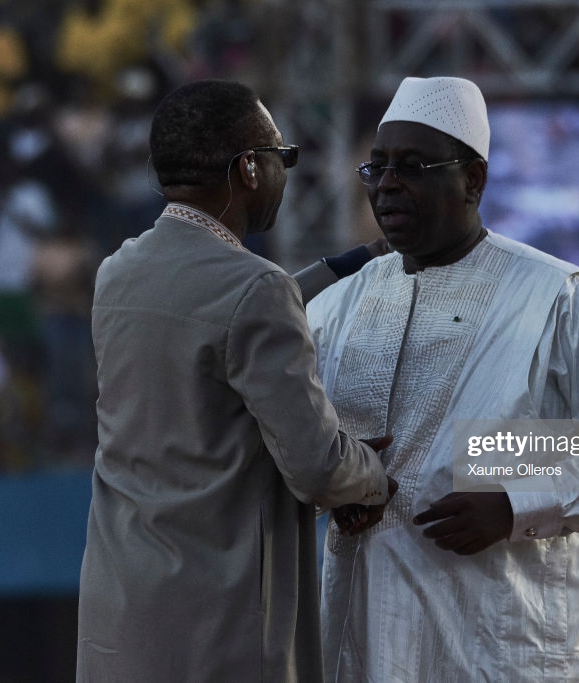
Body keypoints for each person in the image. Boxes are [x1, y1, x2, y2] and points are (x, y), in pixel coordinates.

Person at [305, 76, 579, 682]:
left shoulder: (556, 295)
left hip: (511, 643)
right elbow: (292, 441)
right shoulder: (337, 306)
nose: (389, 183)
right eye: (377, 169)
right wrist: (332, 481)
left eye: (413, 165)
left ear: (473, 179)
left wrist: (513, 504)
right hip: (371, 639)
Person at [75, 80, 394, 682]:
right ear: (249, 168)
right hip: (219, 628)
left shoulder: (118, 272)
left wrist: (341, 267)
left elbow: (212, 315)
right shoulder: (256, 292)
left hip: (121, 618)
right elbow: (319, 466)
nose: (285, 174)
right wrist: (373, 481)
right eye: (284, 157)